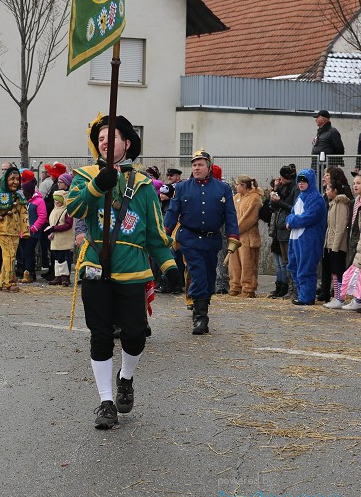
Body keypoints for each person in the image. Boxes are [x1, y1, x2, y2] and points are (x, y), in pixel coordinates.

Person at [66, 114, 181, 429]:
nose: (103, 142)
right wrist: (94, 187)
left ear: (127, 143)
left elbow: (156, 237)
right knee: (100, 335)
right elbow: (72, 209)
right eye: (100, 138)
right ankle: (105, 402)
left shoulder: (143, 185)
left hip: (132, 270)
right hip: (94, 267)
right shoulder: (84, 175)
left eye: (110, 137)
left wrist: (170, 266)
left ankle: (126, 378)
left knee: (134, 335)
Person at [164, 149, 239, 335]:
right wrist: (164, 234)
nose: (197, 168)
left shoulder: (223, 189)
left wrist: (233, 236)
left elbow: (230, 214)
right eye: (194, 165)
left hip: (212, 240)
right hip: (189, 239)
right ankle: (200, 317)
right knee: (198, 275)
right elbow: (172, 212)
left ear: (209, 167)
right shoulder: (182, 188)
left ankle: (202, 305)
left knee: (209, 277)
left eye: (200, 164)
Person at [285, 169, 327, 306]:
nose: (301, 183)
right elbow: (291, 213)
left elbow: (309, 217)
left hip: (308, 239)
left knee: (306, 268)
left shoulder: (316, 198)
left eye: (304, 181)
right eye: (299, 181)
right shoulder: (300, 197)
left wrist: (291, 221)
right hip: (295, 237)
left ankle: (307, 296)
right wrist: (291, 219)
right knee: (293, 266)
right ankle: (301, 293)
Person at [0, 166, 29, 292]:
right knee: (9, 255)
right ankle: (10, 282)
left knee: (10, 256)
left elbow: (24, 213)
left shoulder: (20, 195)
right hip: (3, 229)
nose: (15, 182)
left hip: (15, 230)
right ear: (6, 180)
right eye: (12, 179)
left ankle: (2, 281)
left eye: (17, 179)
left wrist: (25, 230)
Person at [321, 168, 353, 307]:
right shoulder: (332, 204)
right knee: (334, 270)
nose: (326, 191)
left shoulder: (340, 204)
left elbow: (340, 227)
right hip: (331, 243)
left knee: (339, 270)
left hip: (337, 244)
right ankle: (336, 296)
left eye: (328, 189)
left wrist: (335, 246)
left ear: (335, 190)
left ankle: (340, 297)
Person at [229, 175, 264, 298]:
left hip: (248, 236)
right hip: (235, 236)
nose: (236, 186)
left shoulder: (255, 199)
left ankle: (248, 288)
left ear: (243, 186)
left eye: (237, 184)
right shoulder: (236, 197)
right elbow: (231, 214)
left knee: (247, 263)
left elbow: (250, 218)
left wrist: (235, 230)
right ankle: (235, 285)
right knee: (234, 262)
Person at [266, 164, 297, 299]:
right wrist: (275, 191)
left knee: (288, 262)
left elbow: (293, 209)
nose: (280, 179)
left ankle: (290, 288)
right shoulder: (283, 188)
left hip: (287, 229)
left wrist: (279, 202)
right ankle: (285, 287)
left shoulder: (295, 189)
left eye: (282, 177)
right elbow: (272, 207)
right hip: (279, 229)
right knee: (283, 261)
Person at [45, 190, 73, 286]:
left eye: (58, 200)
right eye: (55, 200)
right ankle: (58, 276)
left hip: (63, 239)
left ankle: (65, 276)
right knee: (56, 258)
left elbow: (68, 224)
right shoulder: (54, 210)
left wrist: (54, 228)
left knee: (63, 258)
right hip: (55, 239)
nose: (56, 202)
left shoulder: (66, 211)